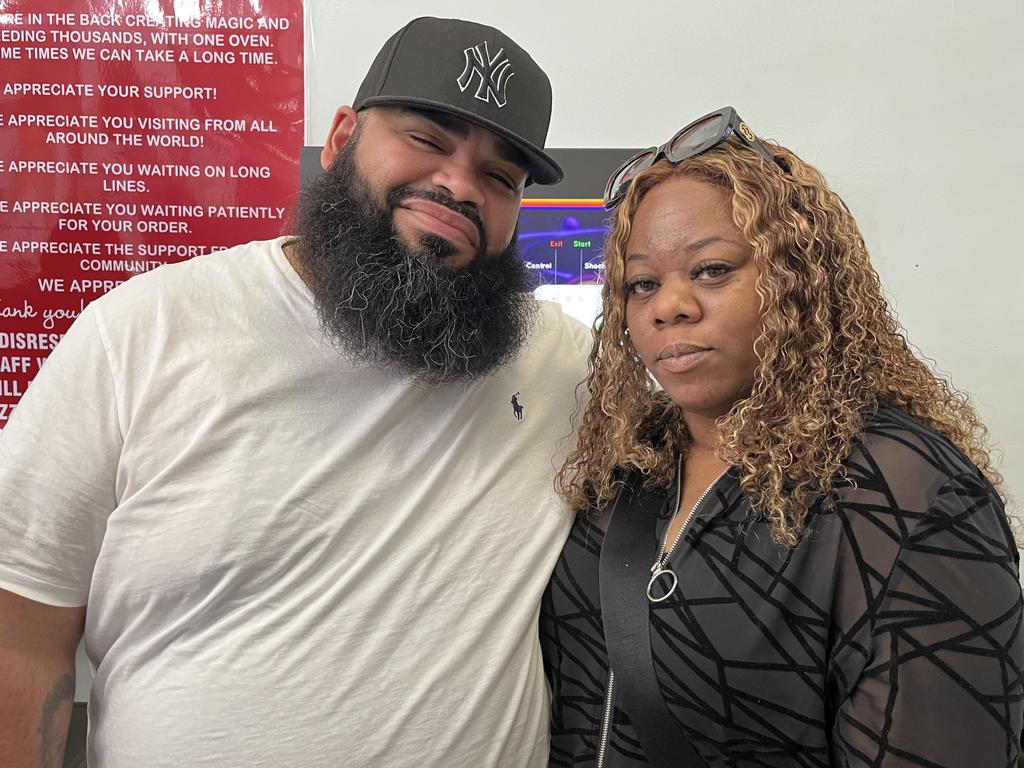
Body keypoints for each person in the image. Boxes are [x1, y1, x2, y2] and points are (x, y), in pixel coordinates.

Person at [0, 17, 590, 768]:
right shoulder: (143, 333)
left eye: (500, 177)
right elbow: (17, 627)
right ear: (342, 138)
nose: (459, 185)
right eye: (427, 140)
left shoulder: (558, 361)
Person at [541, 107, 1023, 767]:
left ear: (799, 277)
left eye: (711, 270)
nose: (668, 305)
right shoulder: (629, 464)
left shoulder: (904, 493)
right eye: (642, 284)